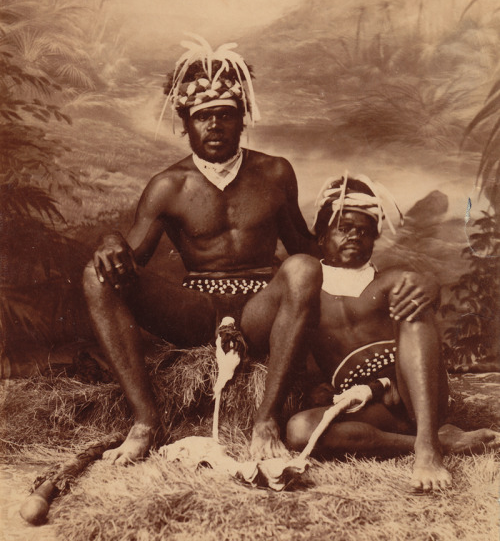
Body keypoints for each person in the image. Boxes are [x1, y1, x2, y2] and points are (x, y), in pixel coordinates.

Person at [83, 38, 433, 465]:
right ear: (185, 123)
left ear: (242, 119)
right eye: (203, 117)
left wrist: (401, 272)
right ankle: (145, 422)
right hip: (195, 310)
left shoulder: (274, 172)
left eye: (225, 115)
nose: (214, 125)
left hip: (259, 311)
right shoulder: (167, 187)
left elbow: (309, 248)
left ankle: (265, 421)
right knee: (96, 276)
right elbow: (131, 257)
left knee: (302, 268)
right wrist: (110, 242)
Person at [286, 175, 500, 491]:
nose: (354, 236)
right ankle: (435, 442)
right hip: (366, 405)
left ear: (374, 240)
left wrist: (430, 285)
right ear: (320, 235)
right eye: (344, 228)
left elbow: (421, 287)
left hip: (418, 397)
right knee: (298, 430)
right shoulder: (304, 288)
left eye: (364, 231)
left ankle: (428, 447)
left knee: (412, 296)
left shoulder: (391, 280)